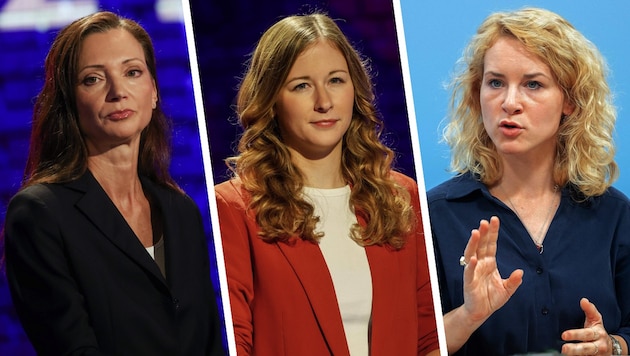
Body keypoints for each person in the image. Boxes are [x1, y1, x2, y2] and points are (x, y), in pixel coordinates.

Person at [214, 13, 440, 356]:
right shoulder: (234, 208)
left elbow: (429, 337)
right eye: (301, 85)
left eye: (336, 80)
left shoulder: (399, 197)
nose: (324, 102)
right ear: (272, 99)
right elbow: (235, 341)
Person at [2, 11, 225, 355]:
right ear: (69, 103)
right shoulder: (40, 214)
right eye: (93, 79)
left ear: (153, 91)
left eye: (132, 72)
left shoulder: (180, 210)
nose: (118, 92)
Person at [427, 7, 630, 356]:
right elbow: (408, 343)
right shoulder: (433, 216)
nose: (509, 103)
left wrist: (614, 346)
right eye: (495, 83)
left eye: (533, 84)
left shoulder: (614, 215)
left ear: (569, 100)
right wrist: (467, 316)